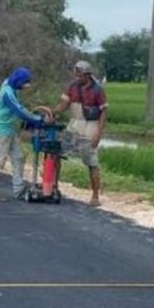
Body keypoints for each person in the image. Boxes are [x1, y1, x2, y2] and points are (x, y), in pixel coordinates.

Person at [51, 61, 107, 207]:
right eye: (76, 74)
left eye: (80, 75)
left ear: (87, 75)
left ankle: (95, 196)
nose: (77, 77)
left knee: (92, 161)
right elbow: (64, 104)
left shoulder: (97, 90)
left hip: (90, 125)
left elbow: (103, 113)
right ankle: (54, 186)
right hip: (74, 124)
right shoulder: (72, 86)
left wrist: (98, 134)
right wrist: (52, 113)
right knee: (57, 152)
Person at [0, 68, 45, 202]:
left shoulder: (11, 88)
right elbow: (18, 110)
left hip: (12, 130)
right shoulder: (7, 92)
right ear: (18, 81)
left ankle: (19, 190)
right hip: (2, 131)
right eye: (24, 83)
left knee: (18, 158)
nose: (25, 86)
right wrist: (36, 119)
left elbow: (19, 110)